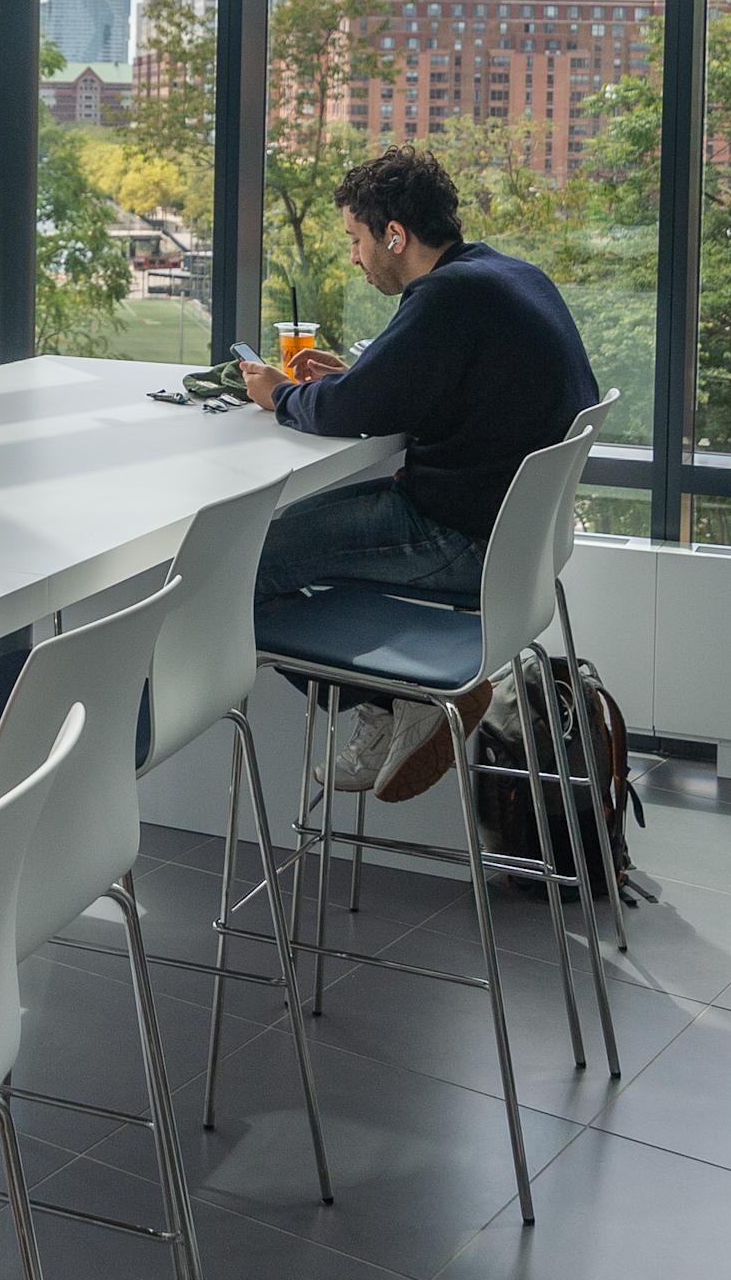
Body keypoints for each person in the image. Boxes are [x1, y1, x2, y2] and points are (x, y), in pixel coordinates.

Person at [238, 145, 598, 805]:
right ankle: (397, 702)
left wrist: (275, 393)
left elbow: (347, 412)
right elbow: (427, 389)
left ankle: (398, 699)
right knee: (285, 543)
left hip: (461, 541)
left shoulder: (443, 296)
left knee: (243, 564)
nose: (353, 256)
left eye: (355, 238)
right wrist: (363, 379)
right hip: (521, 549)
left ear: (393, 235)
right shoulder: (506, 275)